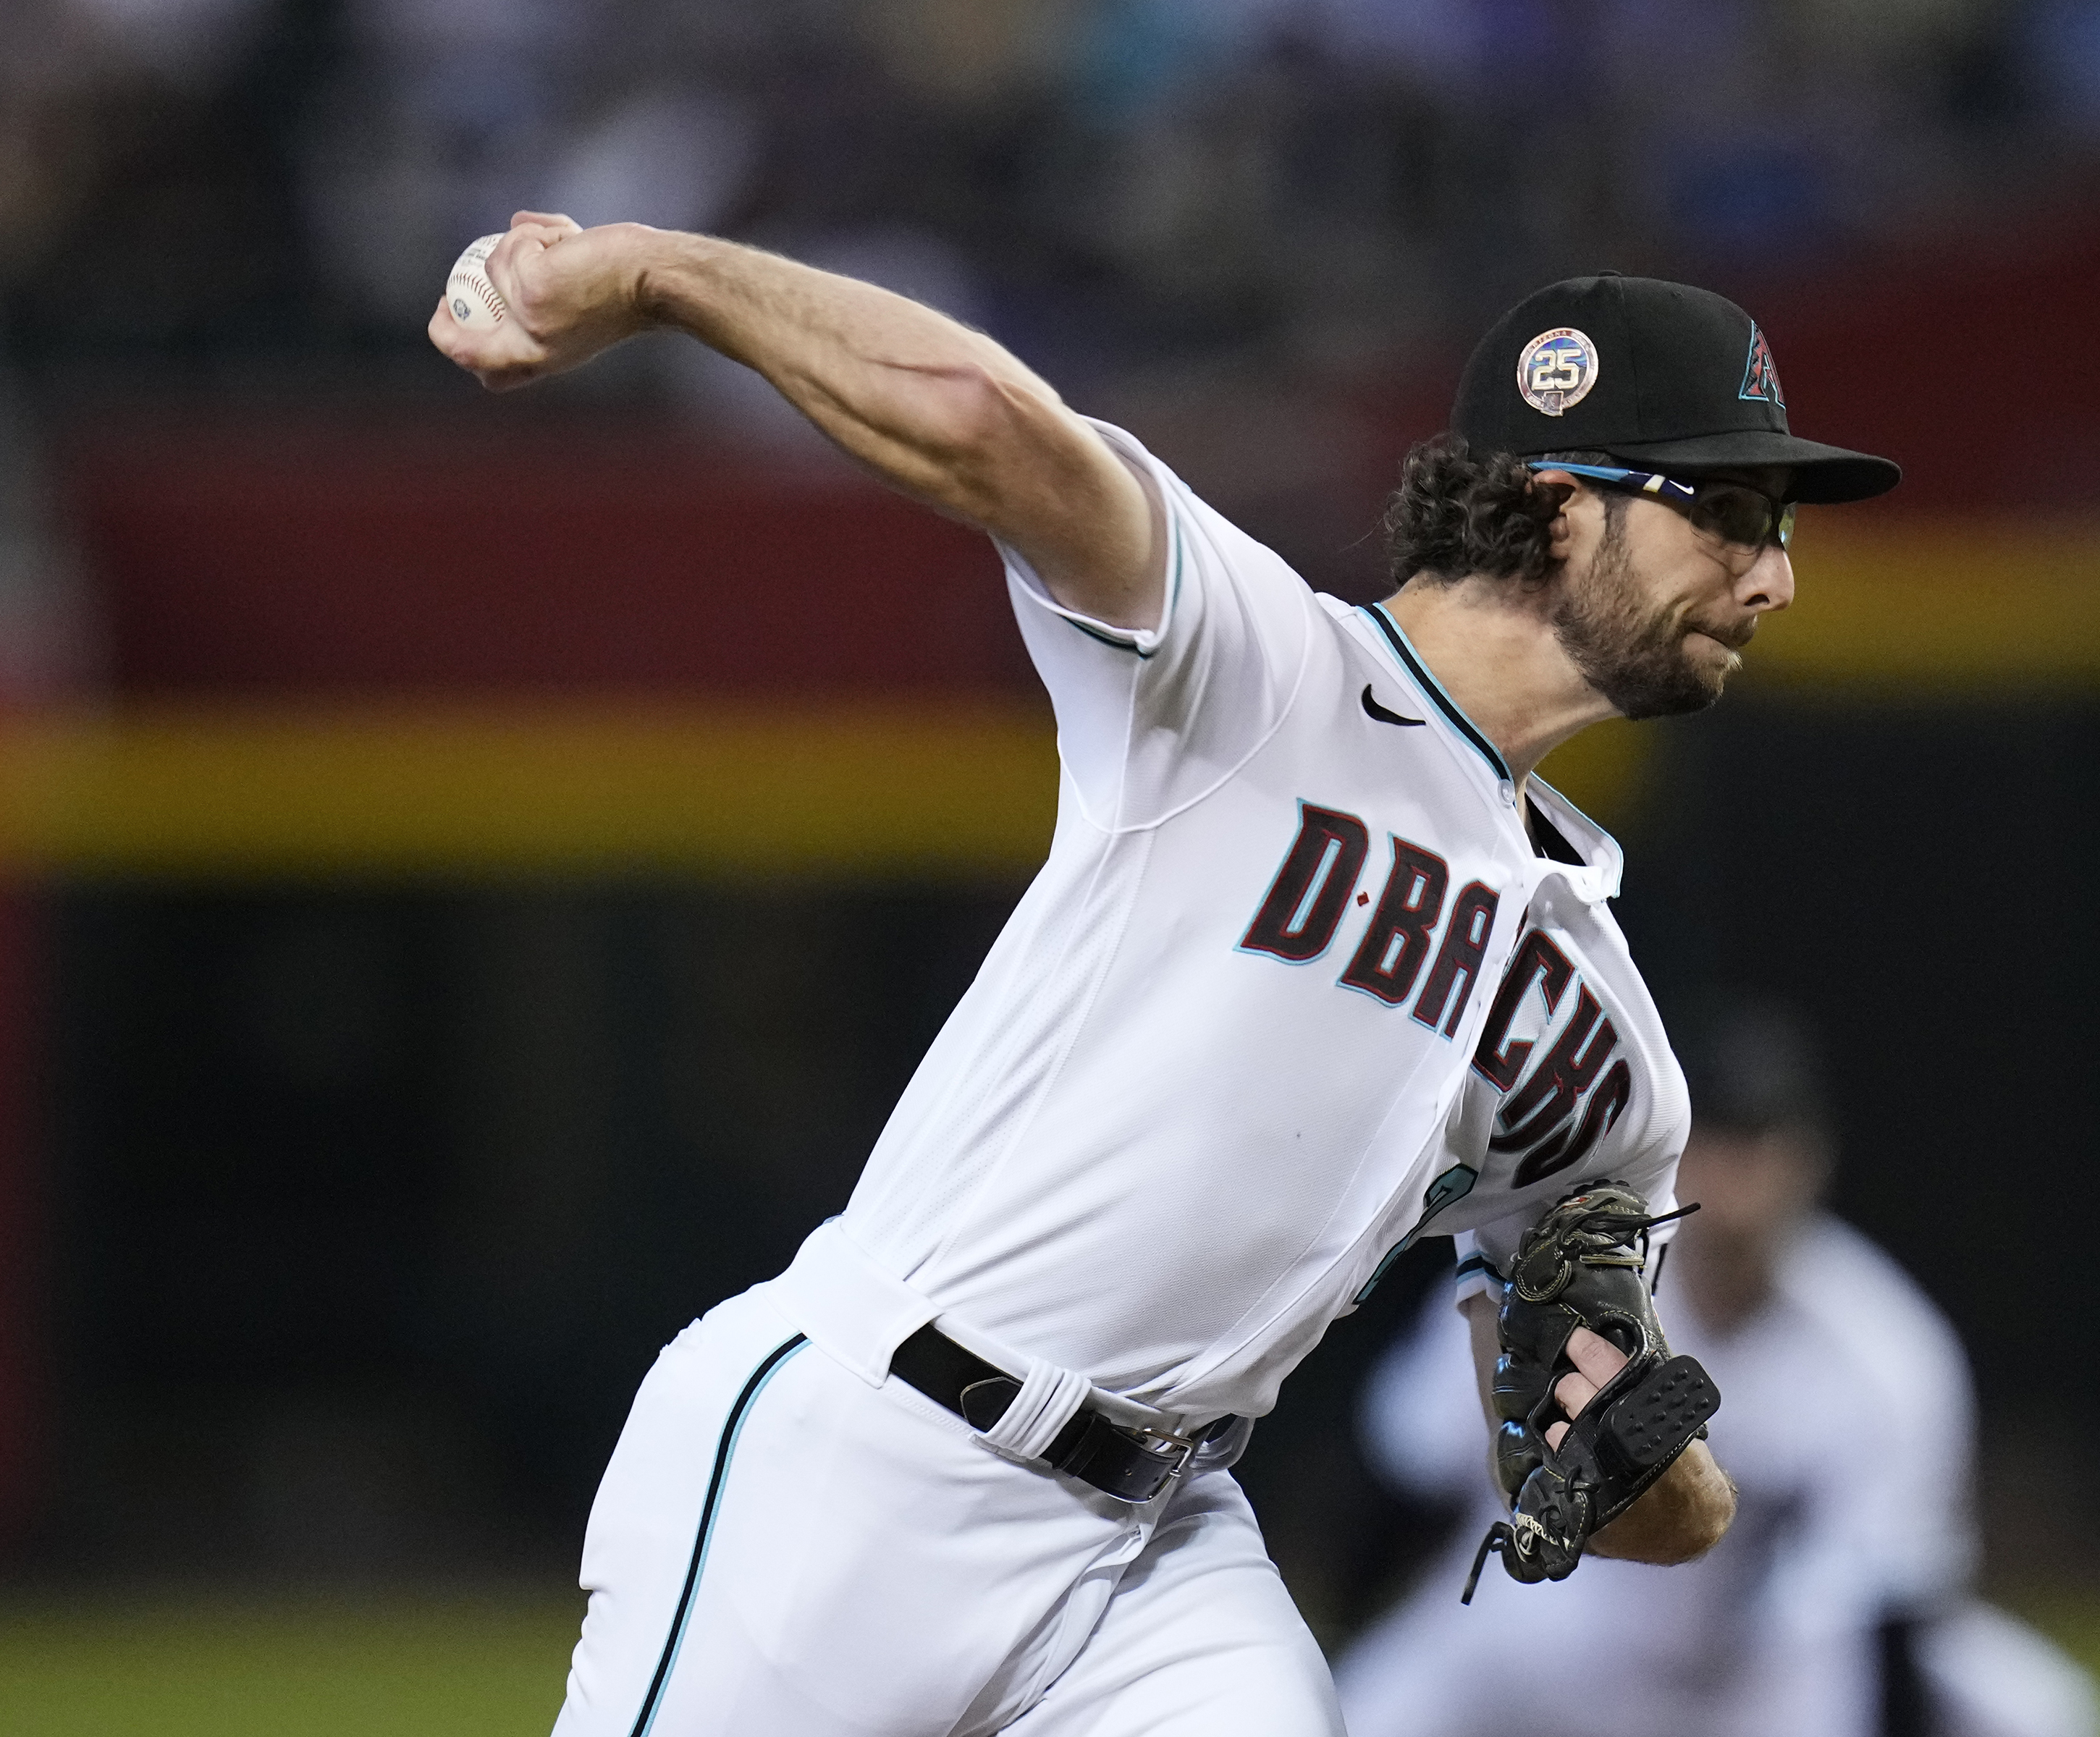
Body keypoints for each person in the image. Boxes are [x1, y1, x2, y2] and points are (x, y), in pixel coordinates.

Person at [431, 219, 1900, 1736]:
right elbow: (985, 423)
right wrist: (650, 275)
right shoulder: (1264, 672)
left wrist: (1642, 1458)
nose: (1774, 575)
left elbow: (1616, 1474)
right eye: (1726, 509)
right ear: (1556, 504)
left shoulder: (1599, 1037)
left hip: (1157, 1557)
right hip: (864, 1456)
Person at [1339, 1002, 2100, 1737]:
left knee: (2040, 1712)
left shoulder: (1882, 1349)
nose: (1737, 1173)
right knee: (1356, 1711)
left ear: (1811, 1161)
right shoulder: (1559, 1282)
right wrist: (1350, 1630)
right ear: (1673, 1149)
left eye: (1760, 1141)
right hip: (1552, 1640)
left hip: (1756, 1677)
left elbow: (1891, 1614)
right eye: (1716, 1140)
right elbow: (1405, 1489)